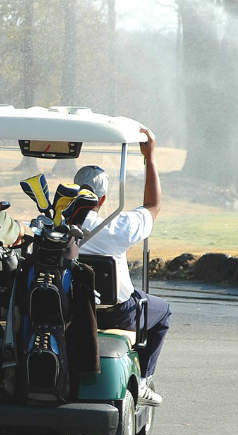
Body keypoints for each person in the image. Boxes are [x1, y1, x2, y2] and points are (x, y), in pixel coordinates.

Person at [76, 127, 170, 406]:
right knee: (162, 312)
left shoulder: (55, 226)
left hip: (71, 308)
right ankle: (142, 381)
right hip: (117, 314)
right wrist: (149, 158)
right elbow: (153, 205)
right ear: (102, 199)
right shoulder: (116, 227)